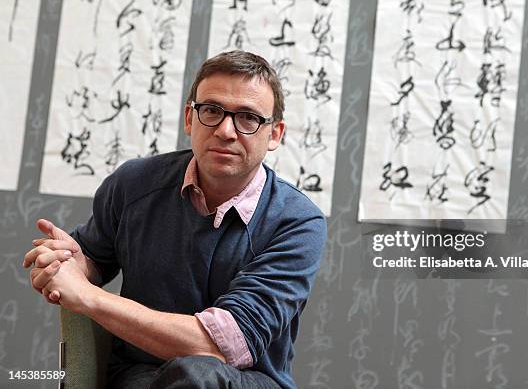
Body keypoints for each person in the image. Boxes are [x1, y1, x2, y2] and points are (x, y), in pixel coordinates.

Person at [23, 50, 327, 389]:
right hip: (140, 373)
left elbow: (222, 346)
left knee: (199, 376)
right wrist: (63, 264)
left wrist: (89, 297)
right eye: (211, 111)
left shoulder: (297, 222)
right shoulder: (134, 183)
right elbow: (92, 257)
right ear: (189, 118)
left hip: (248, 381)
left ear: (274, 134)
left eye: (247, 118)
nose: (226, 131)